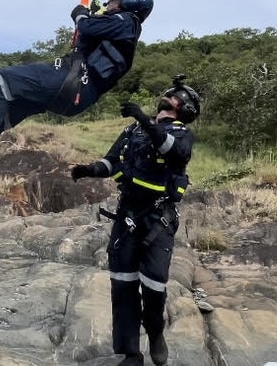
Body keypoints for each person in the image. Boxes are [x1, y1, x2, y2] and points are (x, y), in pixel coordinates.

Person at [0, 0, 154, 180]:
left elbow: (86, 25)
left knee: (2, 81)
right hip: (78, 92)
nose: (110, 2)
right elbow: (90, 34)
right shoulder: (122, 30)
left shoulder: (127, 21)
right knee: (9, 106)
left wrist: (80, 13)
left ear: (130, 2)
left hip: (72, 81)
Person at [70, 77, 201, 366]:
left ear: (185, 109)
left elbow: (173, 153)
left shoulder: (181, 134)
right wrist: (90, 169)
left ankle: (155, 332)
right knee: (123, 284)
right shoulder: (132, 130)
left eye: (174, 97)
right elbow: (112, 161)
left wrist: (144, 119)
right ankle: (131, 353)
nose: (167, 98)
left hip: (158, 220)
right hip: (126, 215)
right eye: (167, 94)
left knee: (154, 286)